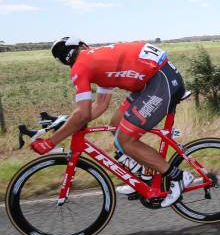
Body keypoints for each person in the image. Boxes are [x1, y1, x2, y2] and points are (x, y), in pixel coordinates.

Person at [30, 37, 192, 207]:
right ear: (81, 45)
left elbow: (83, 114)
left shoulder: (80, 66)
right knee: (116, 124)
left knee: (125, 140)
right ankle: (146, 174)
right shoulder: (96, 60)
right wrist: (68, 122)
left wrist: (50, 142)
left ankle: (178, 177)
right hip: (153, 79)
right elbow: (100, 106)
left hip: (160, 82)